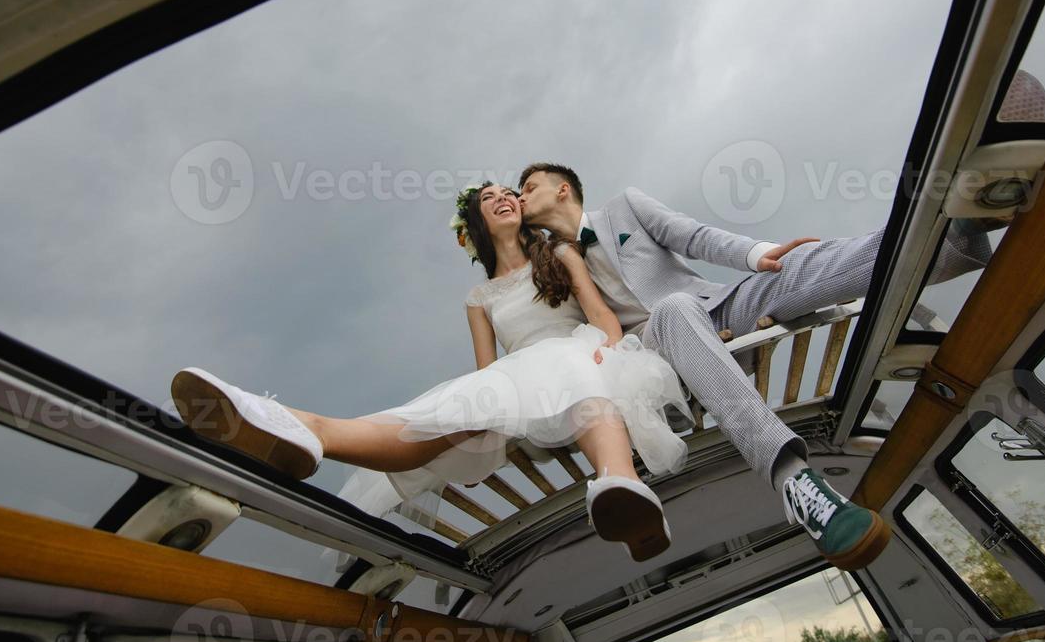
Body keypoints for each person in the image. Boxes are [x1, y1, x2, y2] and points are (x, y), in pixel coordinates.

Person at [170, 182, 689, 561]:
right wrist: (492, 406)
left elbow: (601, 319)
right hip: (516, 372)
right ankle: (302, 428)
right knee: (445, 410)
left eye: (509, 192)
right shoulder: (478, 296)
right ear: (478, 227)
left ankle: (621, 488)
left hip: (580, 350)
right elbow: (487, 366)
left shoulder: (561, 254)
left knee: (574, 370)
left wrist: (606, 352)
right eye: (489, 199)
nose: (504, 197)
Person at [516, 164, 997, 570]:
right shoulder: (548, 269)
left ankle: (954, 234)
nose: (521, 196)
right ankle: (796, 483)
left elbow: (693, 236)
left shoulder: (625, 206)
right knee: (674, 309)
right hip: (654, 350)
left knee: (800, 263)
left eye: (529, 186)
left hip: (716, 308)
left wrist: (757, 254)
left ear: (563, 188)